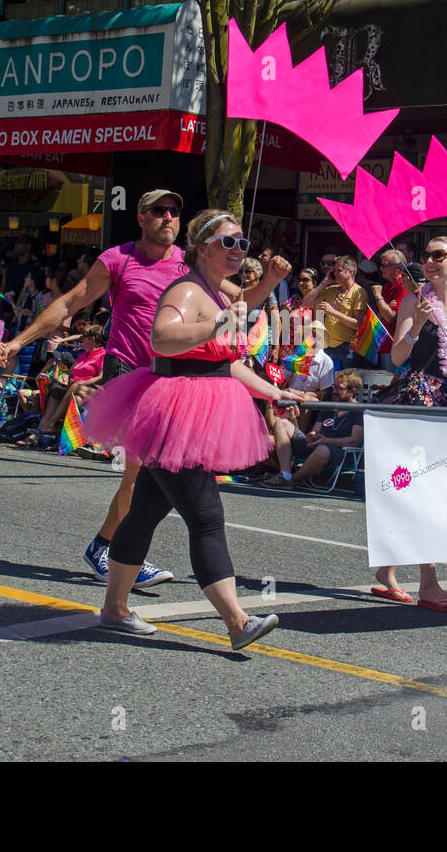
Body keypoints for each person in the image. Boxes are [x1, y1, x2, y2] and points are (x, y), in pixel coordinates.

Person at [0, 191, 287, 587]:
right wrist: (19, 341)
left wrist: (271, 284)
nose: (167, 217)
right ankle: (113, 553)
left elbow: (240, 303)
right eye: (158, 211)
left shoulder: (192, 264)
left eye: (174, 211)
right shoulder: (118, 260)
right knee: (140, 473)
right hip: (132, 374)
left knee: (154, 480)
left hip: (175, 381)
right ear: (141, 217)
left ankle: (116, 561)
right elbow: (71, 303)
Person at [83, 210, 302, 648]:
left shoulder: (216, 294)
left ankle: (113, 609)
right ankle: (237, 621)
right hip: (174, 414)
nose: (238, 250)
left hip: (195, 411)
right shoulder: (187, 290)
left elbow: (227, 363)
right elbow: (161, 339)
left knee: (145, 510)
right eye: (228, 243)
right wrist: (218, 323)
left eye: (242, 243)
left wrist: (274, 393)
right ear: (202, 247)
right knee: (205, 516)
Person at [373, 235, 447, 613]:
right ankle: (429, 584)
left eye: (440, 255)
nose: (431, 261)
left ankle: (385, 573)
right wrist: (417, 323)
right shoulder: (412, 300)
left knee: (422, 491)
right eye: (427, 255)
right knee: (426, 492)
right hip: (417, 400)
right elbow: (399, 356)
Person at [263, 369, 363, 489]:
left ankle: (292, 479)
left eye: (339, 388)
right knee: (281, 423)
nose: (334, 391)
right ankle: (285, 474)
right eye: (333, 387)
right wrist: (312, 436)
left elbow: (354, 441)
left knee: (323, 449)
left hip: (339, 451)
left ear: (352, 391)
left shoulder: (359, 411)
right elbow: (315, 430)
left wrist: (326, 441)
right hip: (318, 445)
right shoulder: (329, 406)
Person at [304, 255, 369, 370]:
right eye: (334, 271)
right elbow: (306, 303)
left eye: (338, 271)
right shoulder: (331, 289)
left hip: (347, 348)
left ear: (350, 272)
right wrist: (324, 282)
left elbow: (358, 324)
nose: (335, 274)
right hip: (327, 346)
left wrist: (333, 312)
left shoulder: (359, 292)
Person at [239, 257, 281, 358]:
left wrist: (276, 348)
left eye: (248, 271)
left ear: (257, 272)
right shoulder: (238, 292)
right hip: (242, 343)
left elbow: (276, 321)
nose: (244, 274)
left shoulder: (266, 292)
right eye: (241, 271)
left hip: (262, 344)